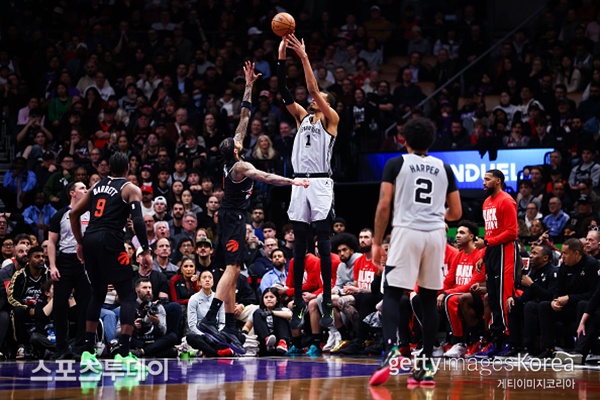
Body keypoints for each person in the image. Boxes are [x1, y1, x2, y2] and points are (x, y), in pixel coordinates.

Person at [196, 61, 308, 355]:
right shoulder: (241, 166)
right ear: (235, 149)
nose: (238, 139)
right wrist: (293, 181)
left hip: (229, 215)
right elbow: (267, 177)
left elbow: (244, 118)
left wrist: (248, 86)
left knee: (233, 270)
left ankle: (230, 326)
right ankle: (211, 318)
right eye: (235, 141)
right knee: (233, 267)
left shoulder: (230, 157)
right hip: (233, 216)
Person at [370, 117, 462, 386]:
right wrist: (435, 214)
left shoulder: (396, 163)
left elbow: (384, 205)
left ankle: (391, 351)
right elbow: (456, 212)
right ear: (431, 141)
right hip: (436, 234)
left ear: (405, 140)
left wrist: (377, 242)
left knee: (392, 293)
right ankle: (426, 365)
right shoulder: (444, 167)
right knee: (428, 298)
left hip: (406, 231)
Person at [278, 34, 340, 330]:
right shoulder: (302, 117)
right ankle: (299, 302)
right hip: (299, 183)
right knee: (299, 244)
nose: (313, 99)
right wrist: (282, 57)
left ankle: (326, 299)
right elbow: (283, 90)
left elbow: (312, 89)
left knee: (323, 243)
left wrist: (303, 56)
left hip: (320, 184)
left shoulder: (331, 119)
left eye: (320, 98)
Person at [70, 152, 154, 371]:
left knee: (97, 295)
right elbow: (138, 221)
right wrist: (145, 250)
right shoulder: (129, 188)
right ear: (127, 168)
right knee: (127, 295)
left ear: (108, 168)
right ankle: (124, 353)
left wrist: (79, 242)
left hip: (90, 240)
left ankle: (88, 352)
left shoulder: (96, 187)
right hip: (110, 240)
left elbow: (73, 214)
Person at [473, 170, 521, 358]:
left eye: (487, 179)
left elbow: (512, 232)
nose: (484, 182)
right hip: (492, 251)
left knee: (503, 297)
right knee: (492, 297)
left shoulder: (506, 201)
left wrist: (486, 243)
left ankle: (509, 341)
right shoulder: (486, 202)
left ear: (498, 181)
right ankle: (496, 340)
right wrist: (483, 255)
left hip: (505, 251)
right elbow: (490, 233)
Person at [47, 181, 91, 359]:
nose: (86, 190)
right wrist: (52, 265)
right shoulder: (60, 215)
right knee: (59, 305)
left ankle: (81, 347)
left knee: (85, 305)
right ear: (72, 193)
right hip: (65, 261)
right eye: (82, 188)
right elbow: (51, 242)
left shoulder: (91, 213)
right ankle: (62, 347)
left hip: (85, 262)